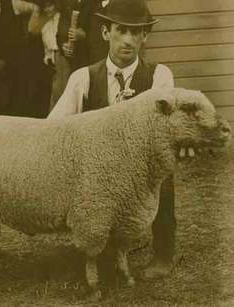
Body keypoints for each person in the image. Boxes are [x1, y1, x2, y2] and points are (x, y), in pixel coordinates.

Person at [47, 0, 176, 280]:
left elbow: (165, 128)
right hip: (98, 173)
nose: (127, 40)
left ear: (145, 37)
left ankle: (164, 252)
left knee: (163, 169)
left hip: (141, 168)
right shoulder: (83, 78)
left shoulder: (159, 77)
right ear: (106, 33)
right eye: (121, 31)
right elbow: (54, 129)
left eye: (136, 32)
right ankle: (97, 244)